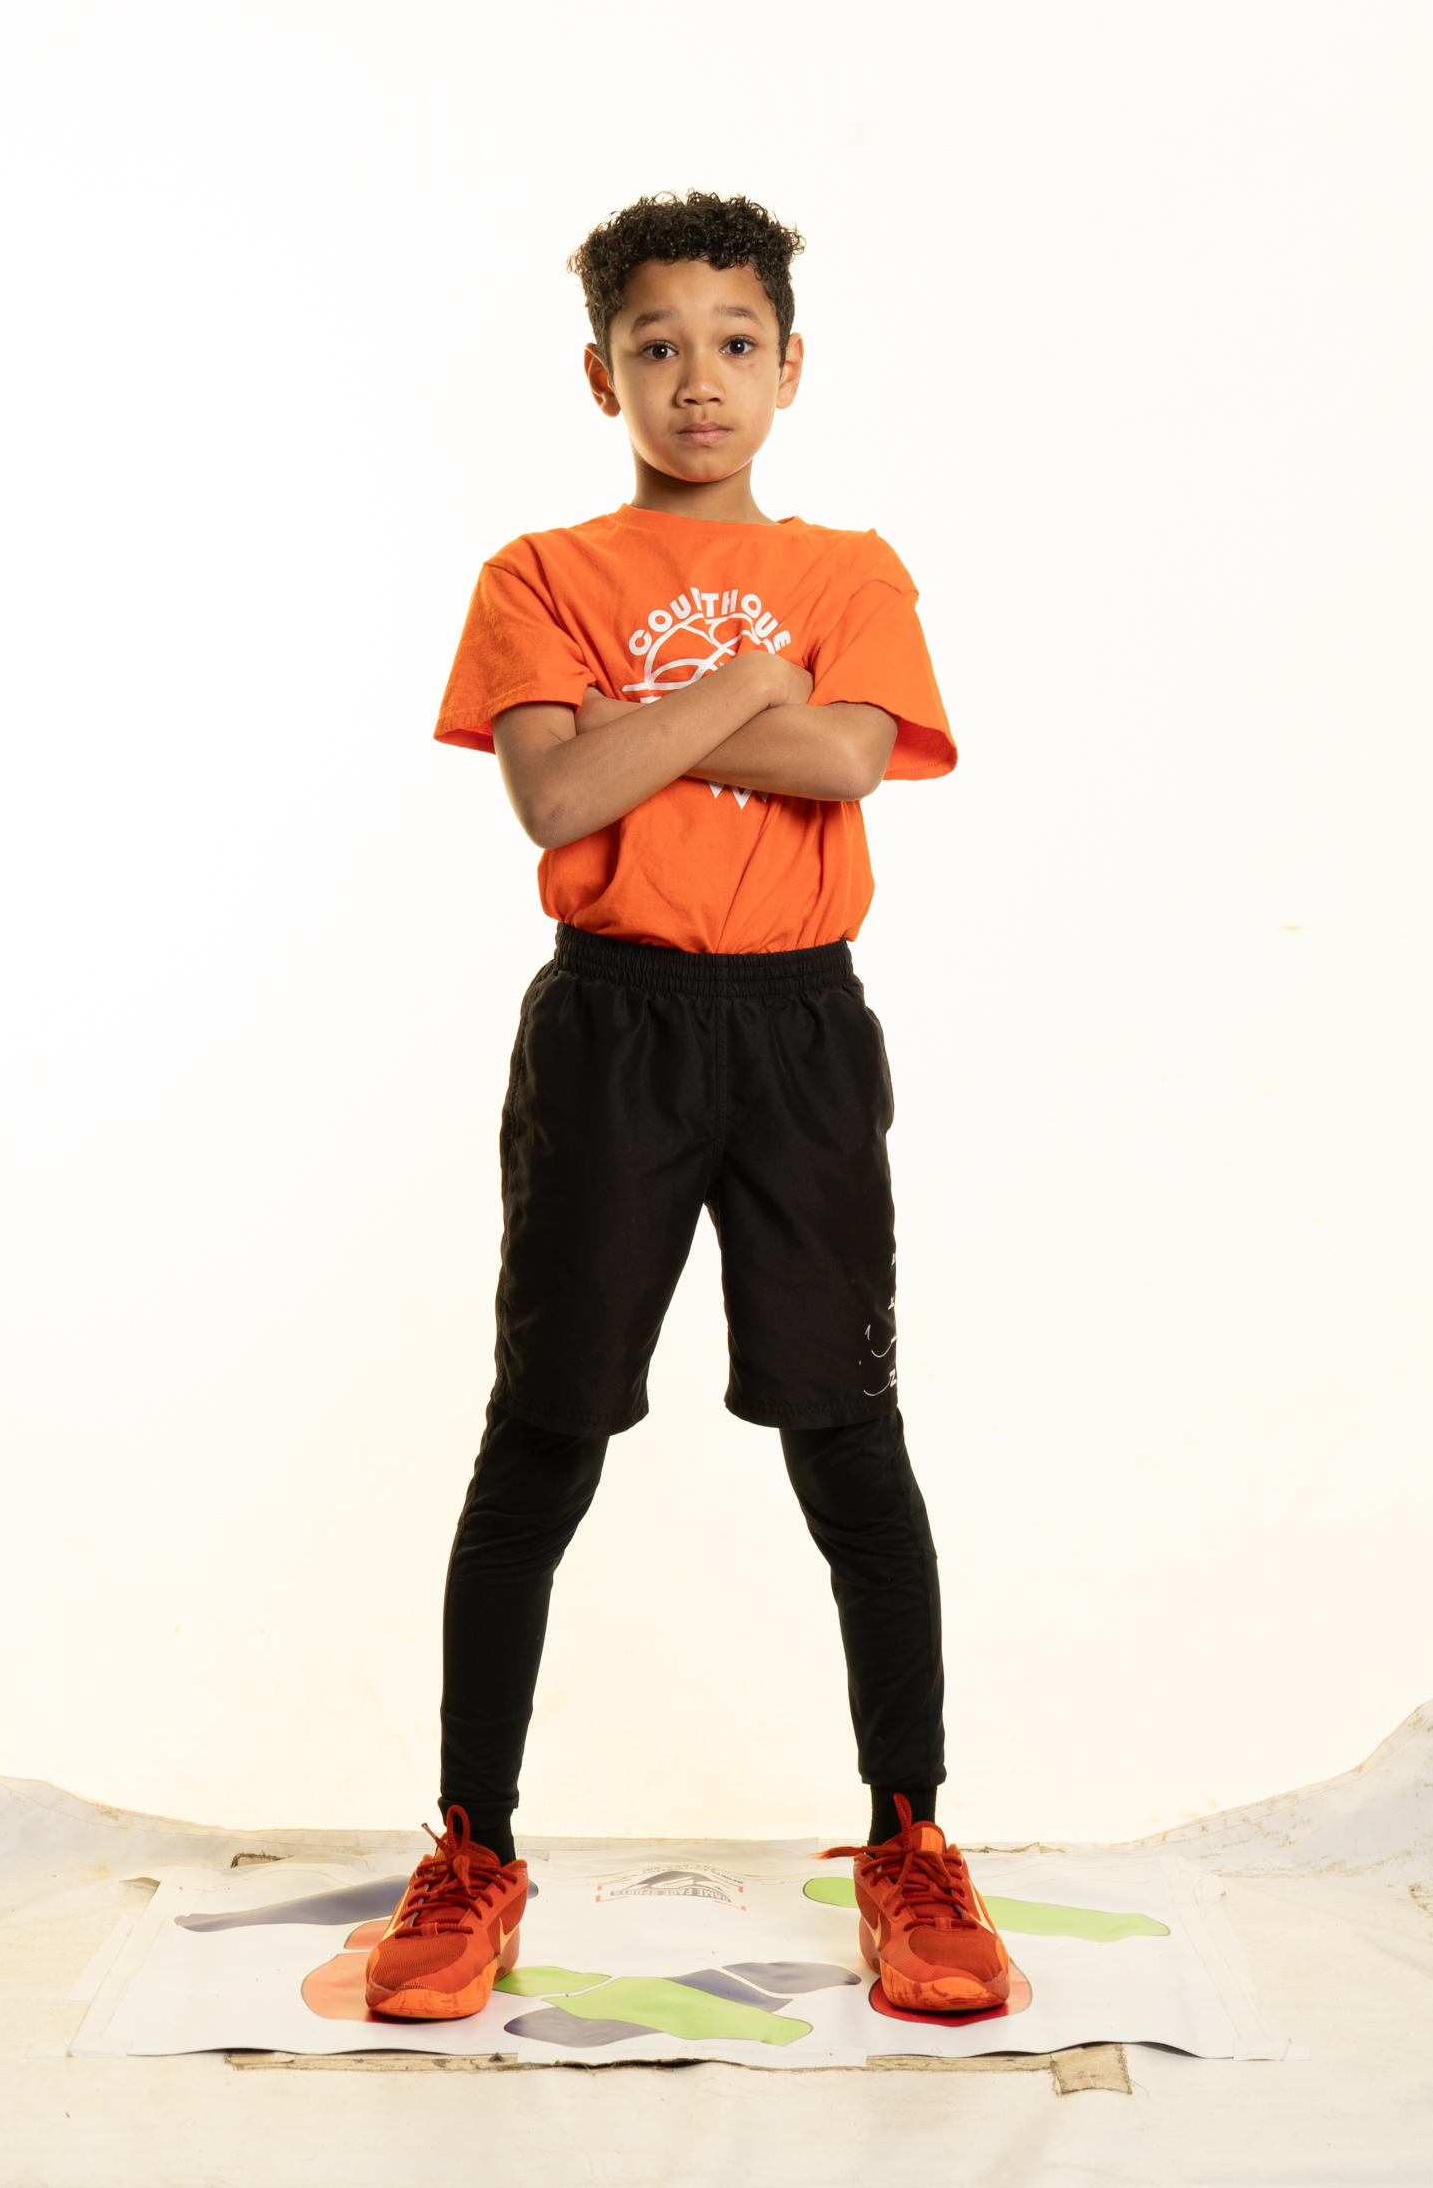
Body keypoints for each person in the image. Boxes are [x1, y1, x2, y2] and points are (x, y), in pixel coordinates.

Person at [364, 190, 1013, 2026]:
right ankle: (473, 1846)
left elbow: (848, 755)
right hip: (614, 1027)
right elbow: (554, 804)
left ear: (791, 367)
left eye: (734, 342)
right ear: (602, 376)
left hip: (798, 1029)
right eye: (655, 345)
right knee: (542, 1439)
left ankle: (908, 1836)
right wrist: (741, 687)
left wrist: (630, 723)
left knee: (848, 1436)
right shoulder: (538, 573)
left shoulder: (850, 568)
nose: (697, 377)